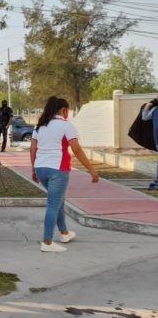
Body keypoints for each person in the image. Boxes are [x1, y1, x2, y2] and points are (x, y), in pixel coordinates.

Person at [30, 96, 98, 253]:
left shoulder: (39, 126)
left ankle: (65, 233)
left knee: (57, 200)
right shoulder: (66, 126)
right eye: (67, 111)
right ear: (63, 110)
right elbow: (77, 150)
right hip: (58, 170)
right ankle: (47, 242)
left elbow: (33, 149)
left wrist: (34, 170)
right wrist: (91, 170)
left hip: (41, 169)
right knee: (53, 203)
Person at [140, 97, 158, 189]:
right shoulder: (155, 109)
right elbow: (144, 117)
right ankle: (155, 181)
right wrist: (148, 106)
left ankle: (155, 181)